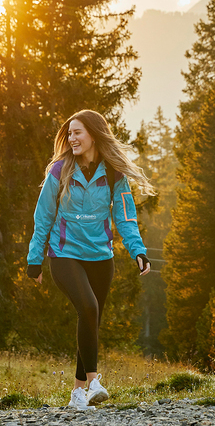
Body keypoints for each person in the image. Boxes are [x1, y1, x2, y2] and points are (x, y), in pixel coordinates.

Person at [26, 110, 155, 410]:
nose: (71, 138)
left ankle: (77, 394)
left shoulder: (113, 173)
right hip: (65, 254)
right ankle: (94, 382)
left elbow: (125, 216)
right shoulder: (59, 170)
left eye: (77, 133)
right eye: (69, 133)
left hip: (100, 257)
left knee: (90, 319)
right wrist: (35, 258)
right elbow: (43, 216)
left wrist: (137, 250)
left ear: (94, 135)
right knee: (88, 306)